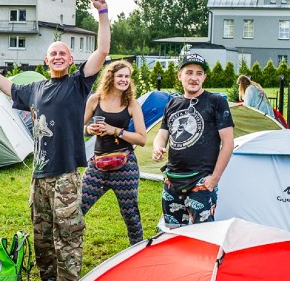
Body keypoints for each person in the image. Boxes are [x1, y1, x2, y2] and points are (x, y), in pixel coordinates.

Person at [0, 0, 111, 281]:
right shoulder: (36, 88)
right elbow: (9, 86)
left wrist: (102, 13)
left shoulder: (78, 85)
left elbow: (103, 50)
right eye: (53, 53)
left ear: (71, 60)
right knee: (42, 235)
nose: (58, 56)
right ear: (46, 60)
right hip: (39, 176)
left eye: (63, 52)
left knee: (68, 232)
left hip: (65, 174)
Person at [153, 54, 235, 227]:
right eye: (189, 72)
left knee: (203, 234)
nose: (194, 78)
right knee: (173, 233)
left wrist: (214, 178)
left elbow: (228, 143)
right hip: (172, 179)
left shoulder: (216, 102)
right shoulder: (173, 103)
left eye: (199, 73)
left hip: (201, 180)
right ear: (179, 75)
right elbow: (162, 134)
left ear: (204, 77)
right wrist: (158, 147)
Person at [81, 60, 147, 245]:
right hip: (98, 166)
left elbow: (142, 139)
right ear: (110, 77)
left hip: (125, 167)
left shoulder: (131, 104)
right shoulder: (95, 99)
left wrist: (115, 130)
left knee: (130, 215)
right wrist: (89, 130)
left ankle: (137, 252)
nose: (124, 80)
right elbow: (78, 127)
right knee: (77, 209)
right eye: (120, 76)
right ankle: (69, 250)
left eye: (127, 76)